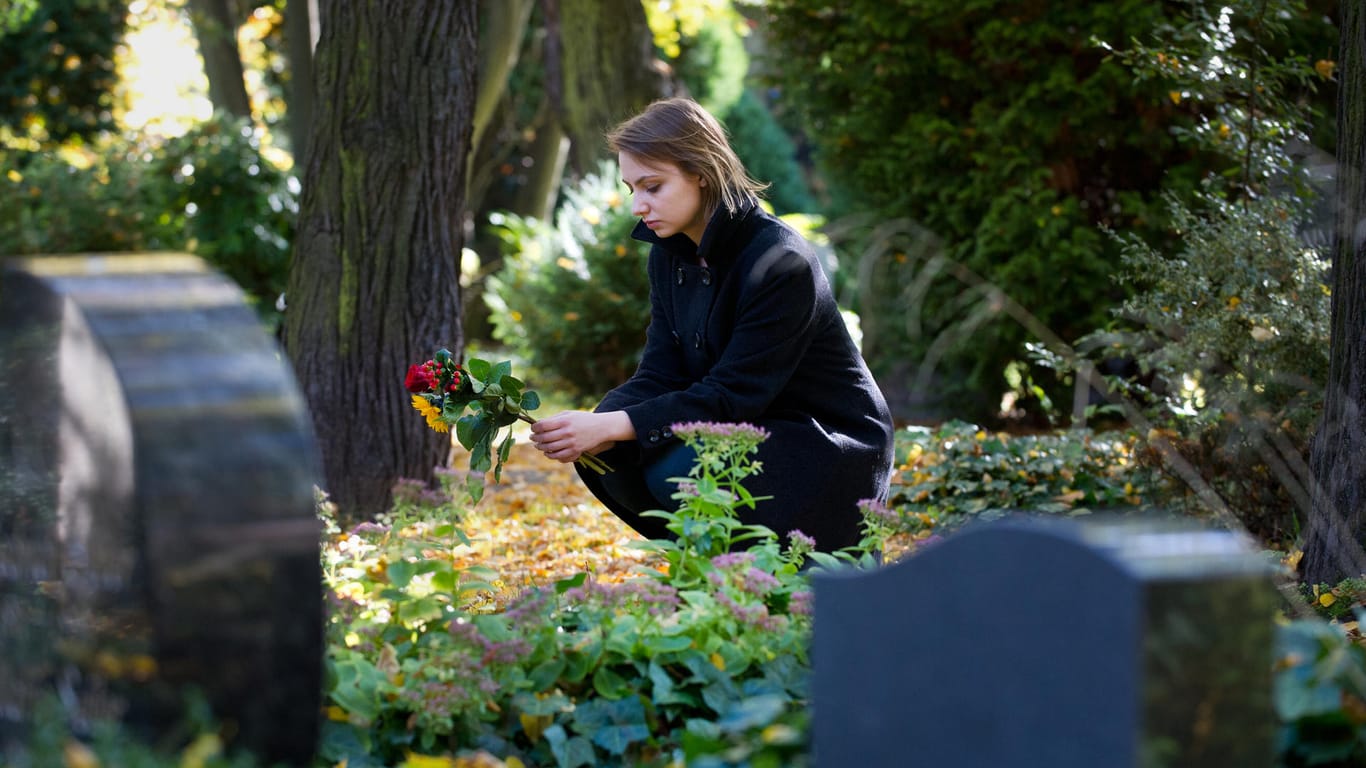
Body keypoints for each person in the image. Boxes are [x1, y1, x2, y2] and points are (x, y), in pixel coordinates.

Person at [528, 97, 894, 552]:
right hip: (751, 425)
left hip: (824, 442)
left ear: (701, 172)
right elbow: (662, 372)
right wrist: (594, 425)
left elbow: (735, 393)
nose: (638, 206)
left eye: (653, 186)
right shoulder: (670, 255)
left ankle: (790, 569)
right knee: (606, 455)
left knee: (675, 468)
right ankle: (712, 570)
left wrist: (615, 424)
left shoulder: (781, 261)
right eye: (631, 190)